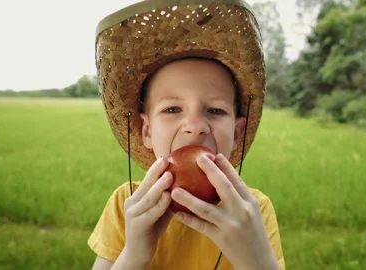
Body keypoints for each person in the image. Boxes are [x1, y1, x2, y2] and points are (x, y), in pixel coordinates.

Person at [88, 0, 286, 269]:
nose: (195, 125)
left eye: (215, 110)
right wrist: (135, 253)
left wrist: (256, 259)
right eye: (172, 109)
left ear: (237, 132)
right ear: (146, 131)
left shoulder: (252, 212)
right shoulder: (127, 206)